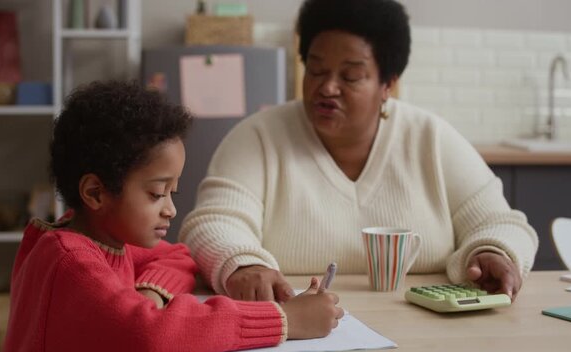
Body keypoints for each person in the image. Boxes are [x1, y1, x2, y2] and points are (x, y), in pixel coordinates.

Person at [180, 0, 538, 304]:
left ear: (388, 84)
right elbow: (214, 223)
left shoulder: (431, 139)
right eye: (316, 70)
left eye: (350, 76)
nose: (327, 87)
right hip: (296, 333)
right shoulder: (257, 137)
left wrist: (494, 252)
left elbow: (502, 223)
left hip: (425, 338)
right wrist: (243, 263)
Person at [1, 81, 343, 352]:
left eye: (172, 193)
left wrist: (151, 290)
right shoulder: (71, 262)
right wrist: (286, 320)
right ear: (95, 193)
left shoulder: (103, 239)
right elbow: (150, 335)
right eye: (156, 194)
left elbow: (178, 256)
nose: (170, 210)